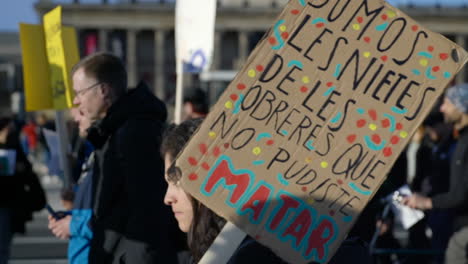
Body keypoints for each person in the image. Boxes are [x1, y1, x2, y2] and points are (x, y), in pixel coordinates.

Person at [161, 119, 372, 264]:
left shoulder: (251, 254)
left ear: (208, 178)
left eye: (176, 182)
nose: (167, 198)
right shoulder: (218, 248)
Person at [72, 52, 178, 263]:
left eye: (79, 93)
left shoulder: (134, 132)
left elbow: (148, 212)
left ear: (102, 90)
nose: (76, 101)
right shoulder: (117, 130)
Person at [403, 83, 468, 264]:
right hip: (453, 223)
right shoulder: (459, 139)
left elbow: (461, 192)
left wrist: (428, 202)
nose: (442, 108)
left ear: (461, 107)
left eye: (447, 103)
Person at [48, 110, 95, 264]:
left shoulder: (109, 156)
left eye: (82, 112)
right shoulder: (93, 154)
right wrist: (69, 214)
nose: (75, 117)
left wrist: (73, 224)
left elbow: (112, 221)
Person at [0, 111, 46, 264]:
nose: (9, 131)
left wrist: (21, 169)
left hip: (7, 205)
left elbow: (27, 172)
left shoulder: (14, 145)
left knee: (3, 248)